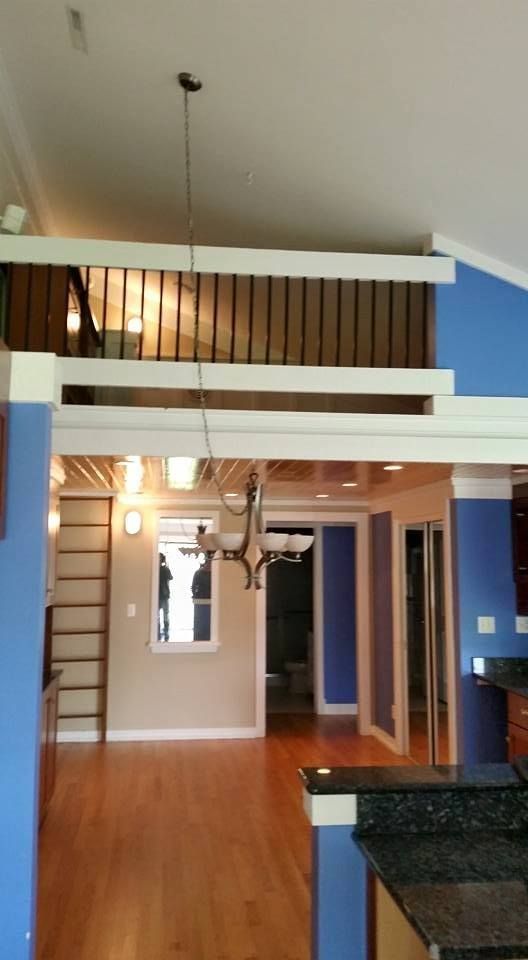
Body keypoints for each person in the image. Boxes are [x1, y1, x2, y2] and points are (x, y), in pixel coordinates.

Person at [191, 557, 211, 642]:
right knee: (201, 622)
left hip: (206, 601)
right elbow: (194, 586)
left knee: (203, 622)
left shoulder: (198, 572)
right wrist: (195, 594)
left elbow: (193, 586)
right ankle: (200, 638)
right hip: (201, 601)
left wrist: (195, 594)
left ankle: (202, 637)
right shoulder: (199, 573)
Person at [158, 553, 173, 641]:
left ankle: (166, 630)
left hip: (164, 594)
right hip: (159, 594)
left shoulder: (165, 569)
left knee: (165, 614)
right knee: (158, 614)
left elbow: (170, 578)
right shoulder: (163, 569)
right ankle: (160, 629)